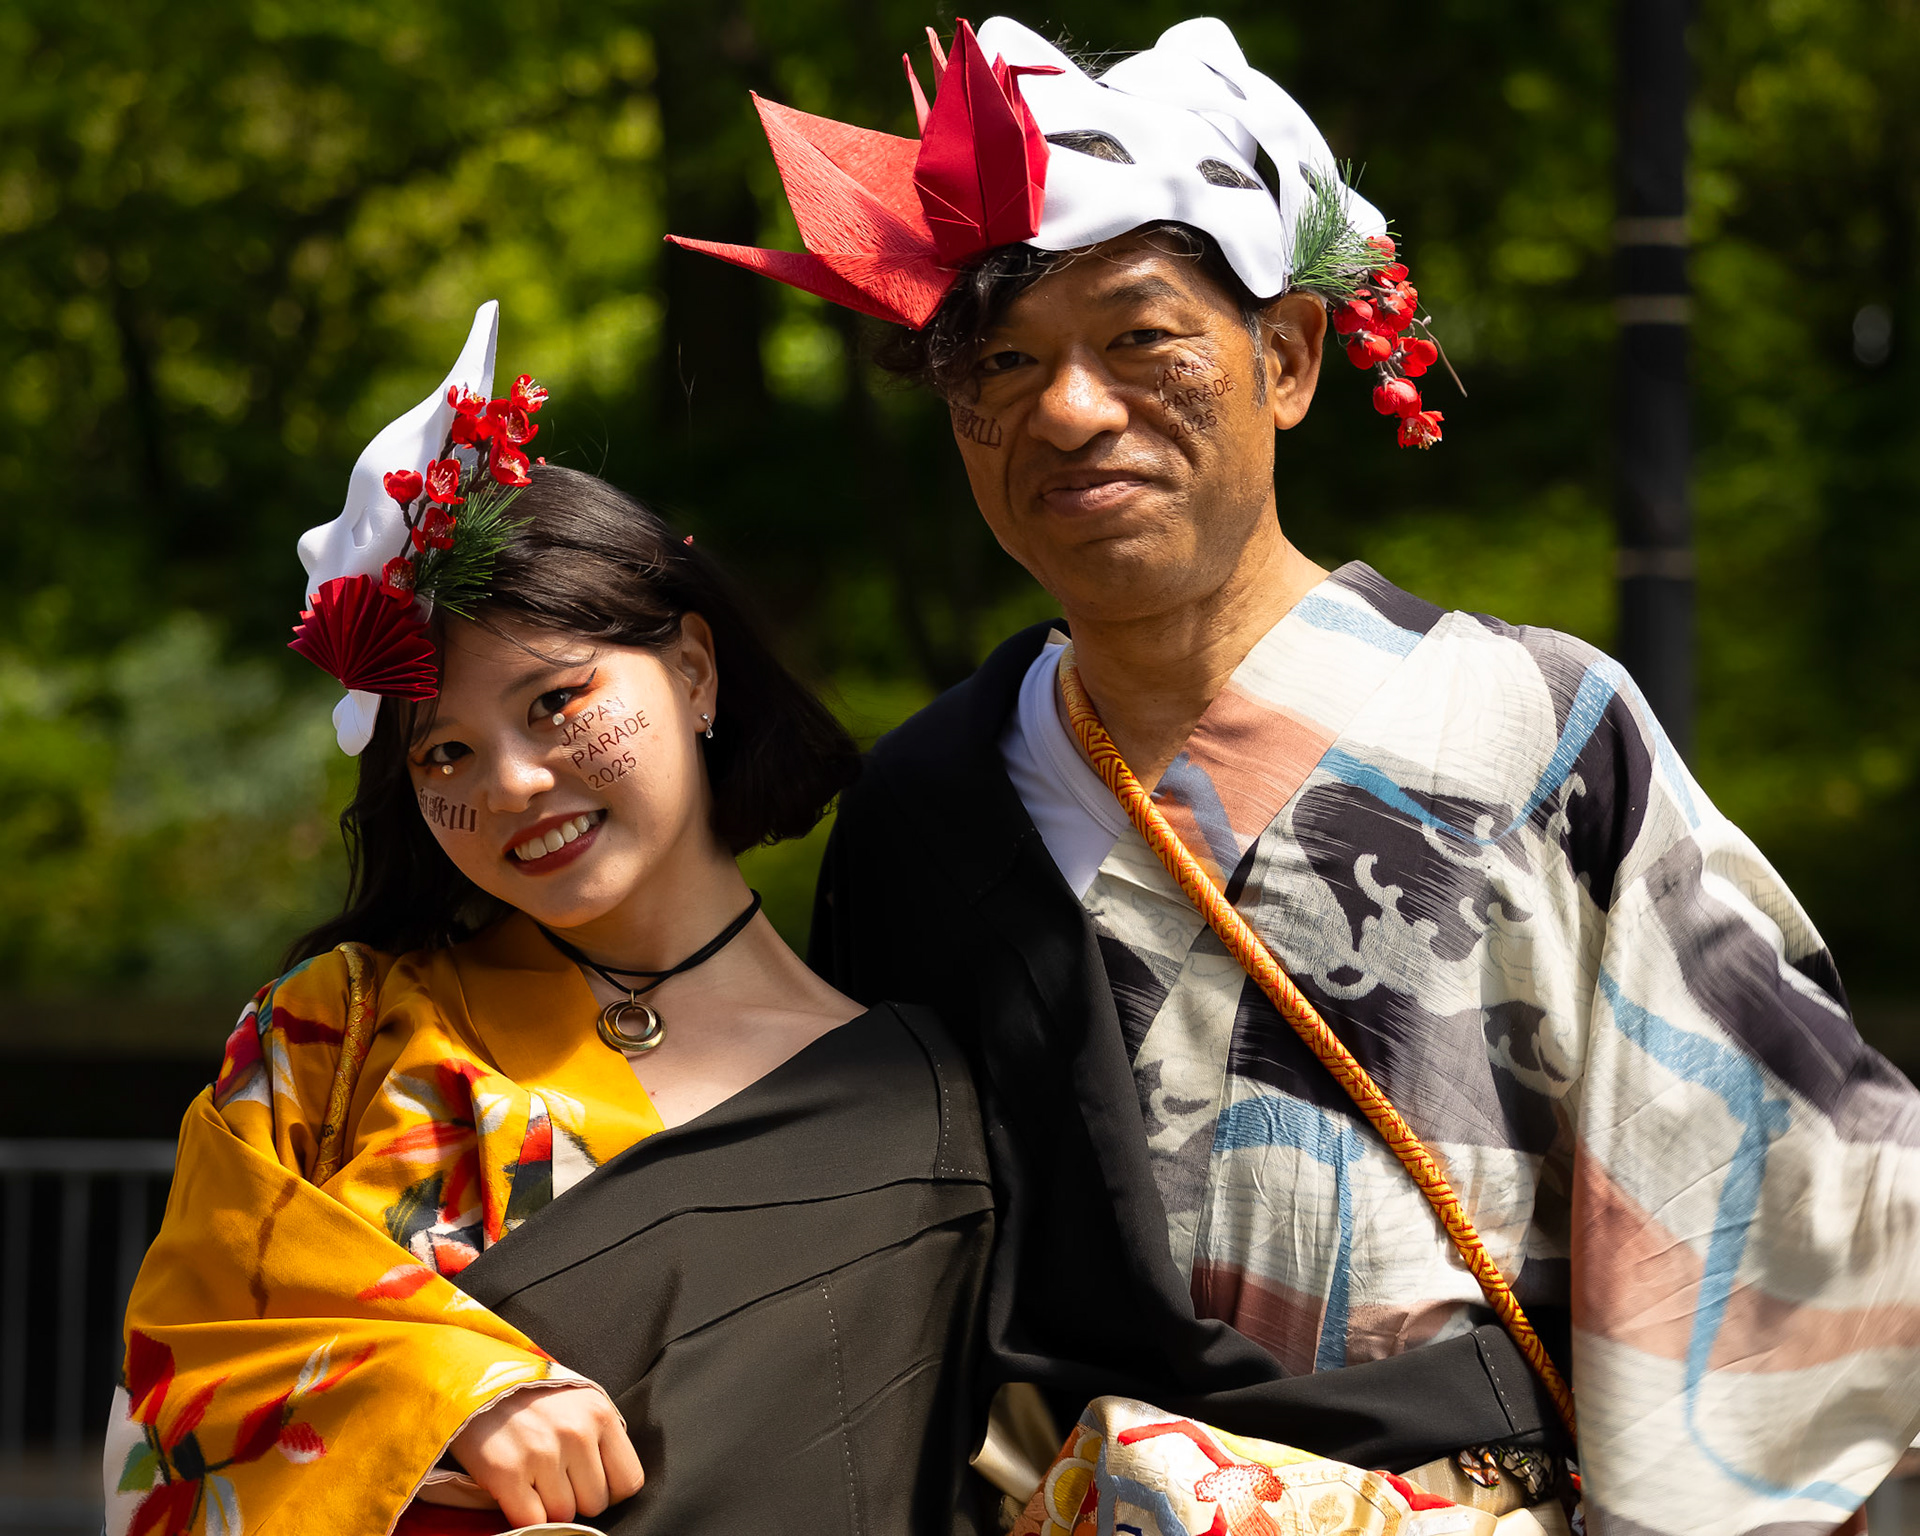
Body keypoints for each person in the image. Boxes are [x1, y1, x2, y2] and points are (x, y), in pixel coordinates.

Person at [671, 17, 1920, 1536]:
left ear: (1287, 357)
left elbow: (1778, 1205)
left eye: (1140, 337)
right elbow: (865, 1284)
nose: (1068, 409)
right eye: (1001, 363)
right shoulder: (929, 808)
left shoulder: (1533, 731)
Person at [104, 303, 995, 1536]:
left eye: (558, 700)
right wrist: (447, 1388)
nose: (509, 783)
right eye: (446, 753)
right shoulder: (342, 1030)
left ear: (694, 668)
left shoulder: (927, 1100)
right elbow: (185, 1358)